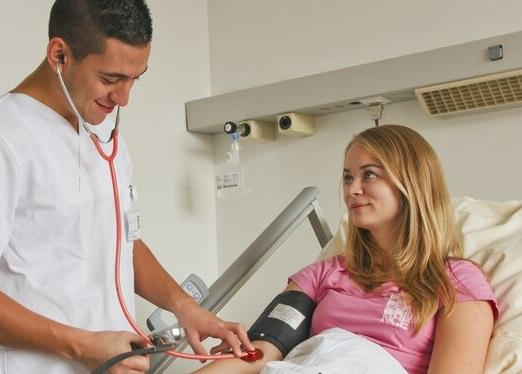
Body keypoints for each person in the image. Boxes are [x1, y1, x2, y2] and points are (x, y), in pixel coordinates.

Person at [0, 1, 253, 373]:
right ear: (59, 54)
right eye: (111, 79)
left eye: (136, 78)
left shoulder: (102, 135)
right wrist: (83, 346)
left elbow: (120, 242)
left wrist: (185, 307)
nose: (124, 98)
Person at [193, 124, 498, 374]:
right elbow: (261, 351)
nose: (352, 189)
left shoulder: (457, 282)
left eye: (370, 174)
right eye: (348, 177)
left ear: (411, 183)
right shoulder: (324, 273)